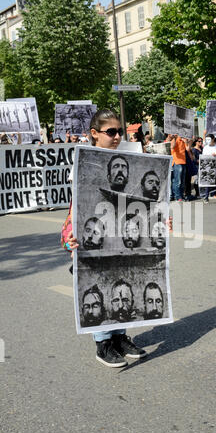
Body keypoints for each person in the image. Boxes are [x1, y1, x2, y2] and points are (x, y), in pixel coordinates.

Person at [66, 109, 147, 368]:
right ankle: (103, 344)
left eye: (119, 131)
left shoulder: (130, 160)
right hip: (97, 236)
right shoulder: (84, 164)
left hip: (123, 237)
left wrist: (158, 220)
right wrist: (70, 237)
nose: (116, 136)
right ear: (94, 134)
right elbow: (75, 208)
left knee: (124, 285)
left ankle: (121, 337)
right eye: (110, 131)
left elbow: (142, 202)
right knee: (99, 285)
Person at [202, 133, 216, 204]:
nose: (208, 141)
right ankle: (206, 197)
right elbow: (203, 157)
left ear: (213, 139)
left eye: (209, 139)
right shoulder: (205, 147)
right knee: (208, 182)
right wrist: (210, 156)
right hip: (208, 167)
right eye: (207, 139)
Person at [169, 134, 186, 201]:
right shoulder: (175, 138)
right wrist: (174, 138)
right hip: (176, 162)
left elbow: (187, 148)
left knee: (182, 182)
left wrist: (189, 140)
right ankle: (177, 196)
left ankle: (180, 195)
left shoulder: (183, 139)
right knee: (177, 181)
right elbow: (172, 147)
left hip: (183, 162)